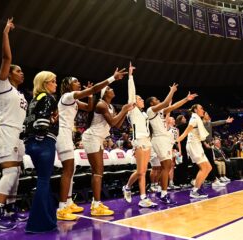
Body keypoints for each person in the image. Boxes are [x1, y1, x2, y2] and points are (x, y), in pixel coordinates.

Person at [56, 69, 127, 221]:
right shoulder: (68, 96)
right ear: (68, 85)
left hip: (76, 135)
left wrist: (88, 96)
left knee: (74, 168)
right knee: (89, 170)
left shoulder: (74, 101)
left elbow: (88, 108)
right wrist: (112, 78)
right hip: (72, 134)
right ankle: (81, 206)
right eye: (75, 81)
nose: (79, 83)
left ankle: (69, 202)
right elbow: (95, 90)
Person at [0, 18, 28, 231]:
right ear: (9, 73)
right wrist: (6, 33)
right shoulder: (3, 85)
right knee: (9, 173)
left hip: (18, 135)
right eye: (17, 70)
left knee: (17, 174)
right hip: (5, 132)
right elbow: (6, 57)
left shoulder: (21, 95)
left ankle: (10, 210)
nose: (21, 73)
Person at [82, 84, 134, 216]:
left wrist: (125, 111)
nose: (112, 90)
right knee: (98, 172)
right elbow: (112, 123)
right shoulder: (101, 104)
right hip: (92, 137)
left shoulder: (110, 107)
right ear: (104, 93)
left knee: (98, 172)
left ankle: (96, 203)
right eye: (110, 89)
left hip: (98, 138)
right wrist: (123, 109)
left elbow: (117, 125)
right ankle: (96, 205)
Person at [145, 86, 197, 204]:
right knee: (166, 166)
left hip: (165, 140)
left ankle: (162, 191)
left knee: (167, 167)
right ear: (152, 103)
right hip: (159, 139)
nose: (158, 101)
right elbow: (166, 102)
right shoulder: (150, 110)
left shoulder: (161, 112)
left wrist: (186, 99)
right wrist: (172, 91)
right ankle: (162, 192)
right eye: (156, 100)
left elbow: (173, 106)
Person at [21, 71, 58, 233]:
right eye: (53, 81)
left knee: (44, 180)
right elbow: (42, 121)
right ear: (45, 83)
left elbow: (28, 122)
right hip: (44, 142)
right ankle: (37, 224)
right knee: (43, 180)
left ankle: (49, 219)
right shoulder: (49, 98)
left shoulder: (34, 100)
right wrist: (43, 134)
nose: (55, 84)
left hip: (31, 143)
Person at [122, 62, 158, 208]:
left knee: (143, 172)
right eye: (140, 99)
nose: (142, 100)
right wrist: (130, 76)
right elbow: (131, 93)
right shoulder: (132, 109)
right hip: (138, 141)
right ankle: (128, 188)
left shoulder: (144, 114)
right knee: (140, 171)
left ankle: (142, 197)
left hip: (147, 141)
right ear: (135, 102)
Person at [177, 104, 211, 199]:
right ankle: (194, 190)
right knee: (204, 168)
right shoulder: (194, 119)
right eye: (201, 108)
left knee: (208, 167)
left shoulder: (198, 119)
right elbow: (186, 131)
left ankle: (197, 185)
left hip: (197, 145)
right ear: (195, 110)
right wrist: (178, 139)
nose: (203, 110)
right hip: (193, 145)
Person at [202, 112, 233, 186]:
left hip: (209, 145)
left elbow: (217, 122)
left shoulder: (209, 123)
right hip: (203, 145)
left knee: (210, 163)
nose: (208, 115)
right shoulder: (201, 124)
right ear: (203, 116)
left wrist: (226, 121)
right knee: (204, 164)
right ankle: (210, 179)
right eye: (206, 114)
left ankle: (214, 179)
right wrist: (204, 143)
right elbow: (199, 134)